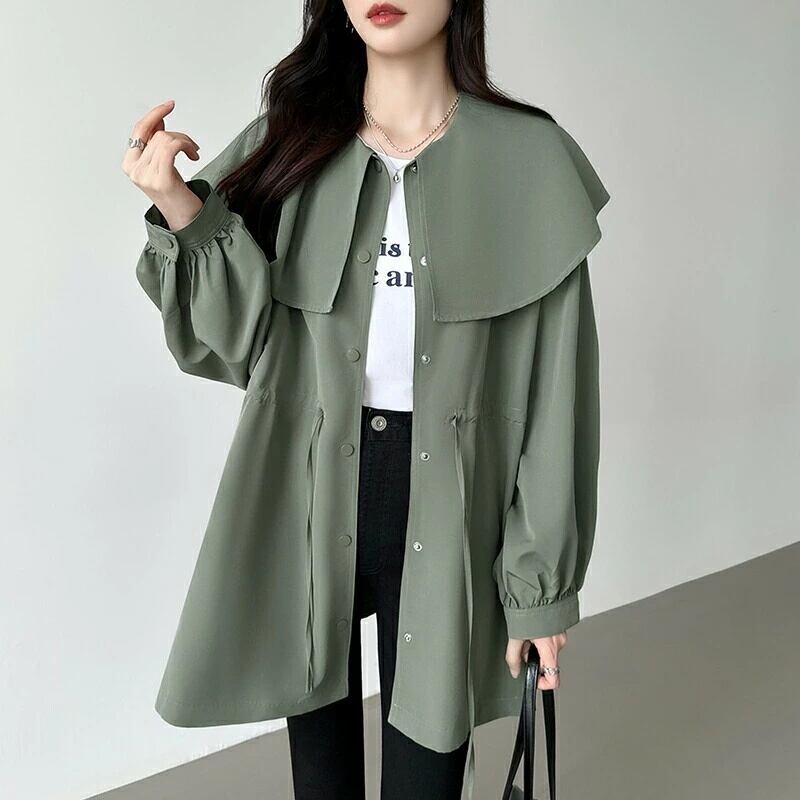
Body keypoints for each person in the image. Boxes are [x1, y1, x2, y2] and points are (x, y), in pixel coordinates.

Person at [122, 1, 610, 798]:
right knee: (320, 779)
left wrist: (541, 591)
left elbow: (560, 392)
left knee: (427, 771)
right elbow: (235, 343)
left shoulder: (529, 159)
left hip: (449, 504)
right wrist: (181, 207)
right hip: (310, 491)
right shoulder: (290, 142)